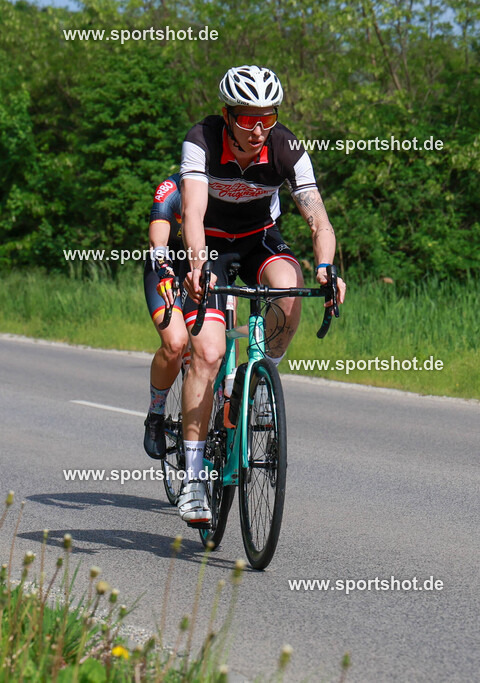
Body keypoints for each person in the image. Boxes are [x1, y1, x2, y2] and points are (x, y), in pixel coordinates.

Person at [175, 65, 346, 525]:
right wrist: (195, 265)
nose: (258, 129)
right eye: (248, 118)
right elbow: (191, 211)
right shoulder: (202, 140)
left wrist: (328, 269)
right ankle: (193, 481)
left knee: (289, 287)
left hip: (258, 240)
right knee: (208, 354)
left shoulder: (286, 146)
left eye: (266, 117)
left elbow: (319, 221)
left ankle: (253, 381)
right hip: (206, 245)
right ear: (227, 116)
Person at [142, 174, 188, 458]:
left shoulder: (231, 188)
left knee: (212, 348)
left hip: (208, 269)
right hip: (167, 269)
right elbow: (158, 237)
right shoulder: (171, 188)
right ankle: (156, 415)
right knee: (175, 343)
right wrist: (163, 266)